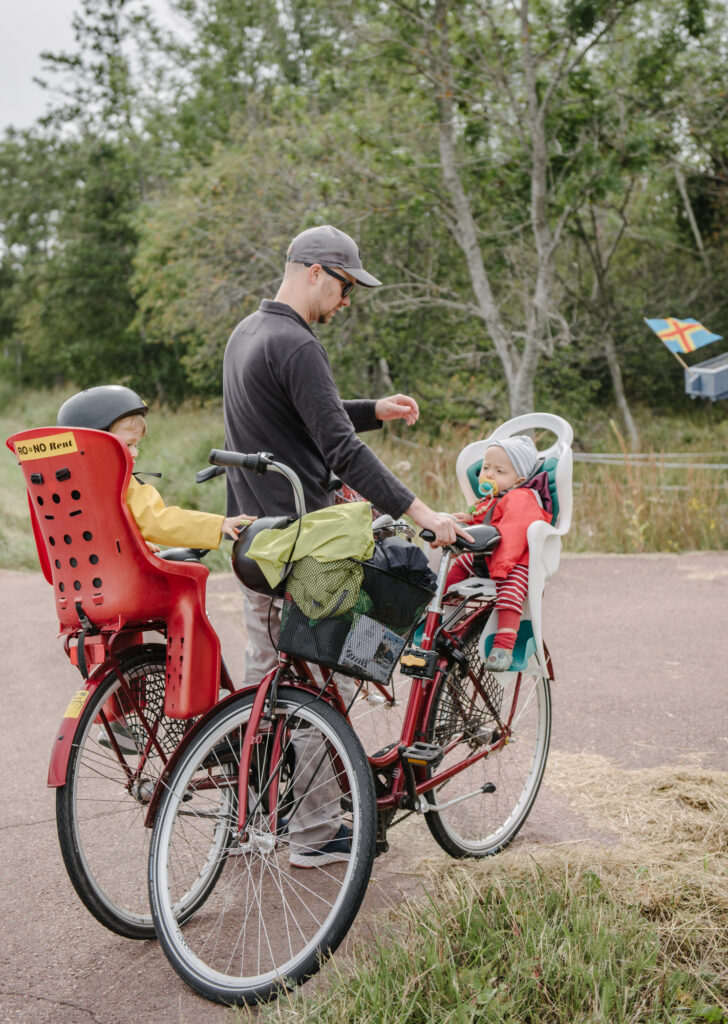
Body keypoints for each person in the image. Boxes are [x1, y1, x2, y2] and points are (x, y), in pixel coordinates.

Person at [222, 224, 466, 867]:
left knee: (265, 683)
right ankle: (315, 830)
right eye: (346, 285)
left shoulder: (248, 333)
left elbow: (309, 410)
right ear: (313, 272)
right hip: (305, 546)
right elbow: (340, 450)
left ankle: (253, 809)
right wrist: (421, 512)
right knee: (337, 677)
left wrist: (374, 408)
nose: (348, 299)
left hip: (252, 542)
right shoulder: (298, 343)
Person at [57, 384, 255, 551]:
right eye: (127, 445)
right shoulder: (118, 483)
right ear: (96, 444)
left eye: (136, 445)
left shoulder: (59, 483)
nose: (135, 453)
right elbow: (158, 522)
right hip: (119, 580)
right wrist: (219, 524)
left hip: (75, 578)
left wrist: (133, 543)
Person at [448, 435, 551, 672]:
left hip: (515, 561)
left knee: (510, 593)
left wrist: (500, 569)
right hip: (489, 556)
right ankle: (447, 609)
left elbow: (513, 534)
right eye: (485, 468)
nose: (489, 474)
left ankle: (503, 647)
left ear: (519, 479)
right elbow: (488, 521)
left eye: (499, 470)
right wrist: (470, 519)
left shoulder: (521, 498)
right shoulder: (491, 499)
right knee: (458, 566)